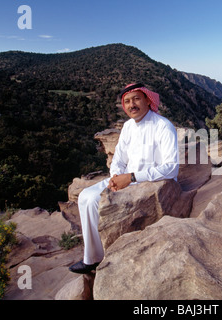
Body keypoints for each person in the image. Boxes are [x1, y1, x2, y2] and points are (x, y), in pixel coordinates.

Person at [69, 83, 179, 274]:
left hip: (148, 182)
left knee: (96, 201)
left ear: (147, 100)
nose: (131, 105)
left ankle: (95, 258)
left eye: (136, 99)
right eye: (127, 101)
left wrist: (132, 177)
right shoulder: (128, 126)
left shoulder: (163, 126)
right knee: (86, 196)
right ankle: (92, 257)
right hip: (125, 179)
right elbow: (119, 158)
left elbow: (171, 168)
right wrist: (115, 178)